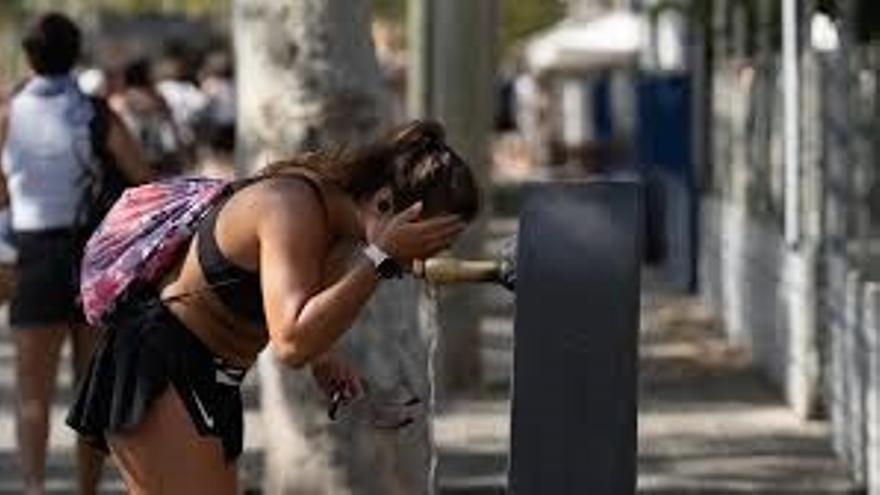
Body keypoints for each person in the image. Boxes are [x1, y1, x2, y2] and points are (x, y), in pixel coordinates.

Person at [67, 120, 479, 493]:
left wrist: (325, 355)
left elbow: (290, 311)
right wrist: (382, 259)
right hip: (159, 367)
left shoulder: (340, 228)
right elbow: (291, 344)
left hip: (212, 379)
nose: (421, 260)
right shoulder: (291, 205)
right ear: (386, 202)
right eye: (423, 241)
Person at [0, 13, 154, 495]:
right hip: (91, 260)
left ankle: (33, 487)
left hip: (32, 257)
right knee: (91, 390)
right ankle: (87, 490)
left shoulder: (7, 113)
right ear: (75, 54)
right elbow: (144, 179)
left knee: (32, 393)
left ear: (28, 57)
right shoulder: (97, 112)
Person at [110, 58, 187, 176]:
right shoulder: (157, 98)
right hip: (159, 154)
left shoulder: (120, 101)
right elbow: (171, 127)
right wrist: (180, 151)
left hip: (134, 156)